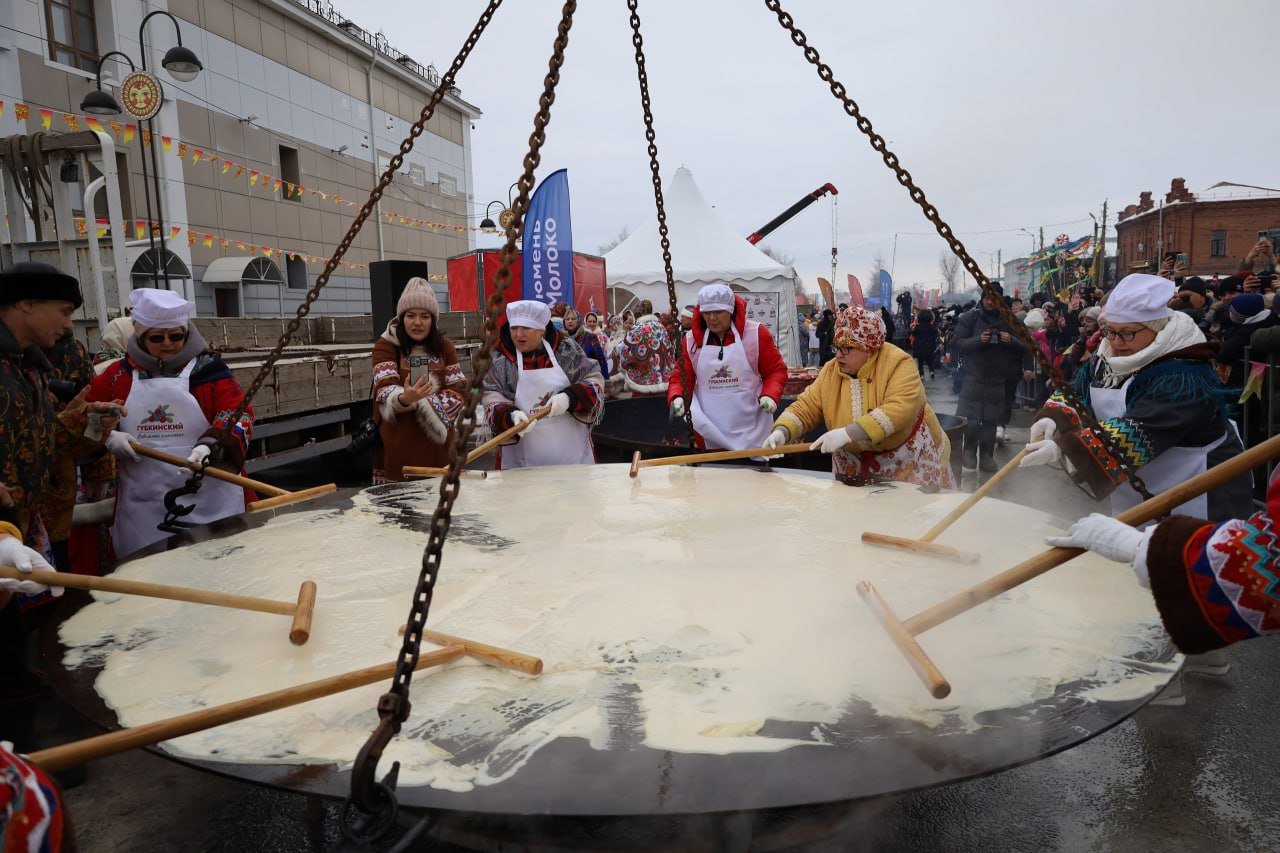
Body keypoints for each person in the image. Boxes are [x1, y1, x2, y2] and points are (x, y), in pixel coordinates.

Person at [0, 262, 121, 763]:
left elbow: (47, 443)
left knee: (15, 659)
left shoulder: (28, 368)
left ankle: (25, 767)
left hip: (20, 538)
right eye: (64, 310)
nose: (70, 324)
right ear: (25, 303)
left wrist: (97, 427)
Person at [1020, 274, 1252, 523]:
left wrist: (1065, 449)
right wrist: (1055, 416)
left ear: (1156, 327)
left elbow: (1141, 429)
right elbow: (1078, 391)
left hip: (1200, 487)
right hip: (1143, 483)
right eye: (1110, 331)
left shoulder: (1184, 373)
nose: (1117, 342)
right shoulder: (1108, 354)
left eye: (1127, 334)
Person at [91, 288, 253, 559]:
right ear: (141, 338)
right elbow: (86, 418)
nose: (167, 343)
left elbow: (238, 413)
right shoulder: (118, 376)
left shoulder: (210, 372)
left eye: (176, 336)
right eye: (156, 338)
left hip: (212, 498)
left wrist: (211, 446)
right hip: (143, 507)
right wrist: (108, 437)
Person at [764, 305, 955, 488]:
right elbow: (808, 405)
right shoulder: (831, 371)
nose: (838, 355)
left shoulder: (898, 363)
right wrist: (783, 431)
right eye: (836, 347)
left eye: (846, 348)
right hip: (852, 462)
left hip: (906, 458)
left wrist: (848, 433)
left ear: (869, 349)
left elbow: (900, 407)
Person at [482, 299, 603, 468]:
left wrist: (570, 397)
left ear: (541, 330)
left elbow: (594, 379)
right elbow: (491, 395)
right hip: (522, 462)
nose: (518, 335)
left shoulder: (566, 351)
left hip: (572, 458)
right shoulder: (501, 360)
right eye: (514, 328)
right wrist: (510, 415)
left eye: (526, 328)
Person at [666, 283, 787, 451]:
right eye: (707, 313)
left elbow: (775, 371)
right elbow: (681, 377)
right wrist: (677, 396)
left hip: (752, 431)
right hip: (709, 432)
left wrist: (770, 395)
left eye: (718, 312)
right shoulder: (692, 340)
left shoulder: (756, 334)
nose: (712, 318)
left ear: (730, 310)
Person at [369, 278, 466, 483]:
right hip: (399, 444)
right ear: (401, 318)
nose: (417, 322)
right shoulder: (386, 346)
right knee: (401, 510)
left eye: (425, 316)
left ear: (433, 320)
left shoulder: (444, 347)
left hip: (439, 449)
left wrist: (422, 402)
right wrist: (404, 398)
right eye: (411, 315)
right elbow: (383, 388)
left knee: (438, 507)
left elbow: (458, 391)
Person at [952, 284, 1031, 472]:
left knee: (990, 420)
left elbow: (1028, 346)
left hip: (999, 378)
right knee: (971, 419)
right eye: (987, 298)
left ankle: (987, 456)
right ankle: (969, 451)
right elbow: (957, 343)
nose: (990, 302)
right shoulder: (969, 318)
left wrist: (1011, 341)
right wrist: (978, 340)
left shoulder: (1010, 321)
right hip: (973, 376)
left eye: (994, 299)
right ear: (982, 298)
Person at [615, 299, 675, 397]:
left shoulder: (637, 328)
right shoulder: (661, 327)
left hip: (643, 380)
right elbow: (668, 349)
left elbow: (624, 348)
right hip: (662, 376)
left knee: (643, 407)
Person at [565, 308, 610, 379]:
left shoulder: (590, 336)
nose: (570, 321)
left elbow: (602, 360)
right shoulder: (561, 339)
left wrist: (606, 380)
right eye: (567, 319)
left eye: (573, 319)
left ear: (579, 321)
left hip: (588, 380)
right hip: (567, 381)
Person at [910, 308, 939, 379]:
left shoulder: (918, 326)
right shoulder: (932, 326)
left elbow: (913, 334)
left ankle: (922, 374)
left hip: (920, 345)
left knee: (920, 360)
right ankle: (931, 371)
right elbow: (935, 335)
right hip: (929, 345)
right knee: (930, 359)